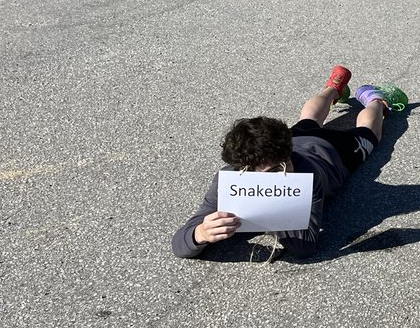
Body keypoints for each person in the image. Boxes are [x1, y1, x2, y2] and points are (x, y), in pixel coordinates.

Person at [171, 65, 407, 259]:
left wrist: (272, 205)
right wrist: (200, 233)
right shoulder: (230, 177)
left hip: (335, 155)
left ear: (287, 156)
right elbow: (180, 244)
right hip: (301, 139)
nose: (263, 181)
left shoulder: (307, 178)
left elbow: (304, 246)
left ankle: (375, 99)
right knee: (308, 119)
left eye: (275, 171)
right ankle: (333, 88)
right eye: (251, 173)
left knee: (369, 133)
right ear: (239, 165)